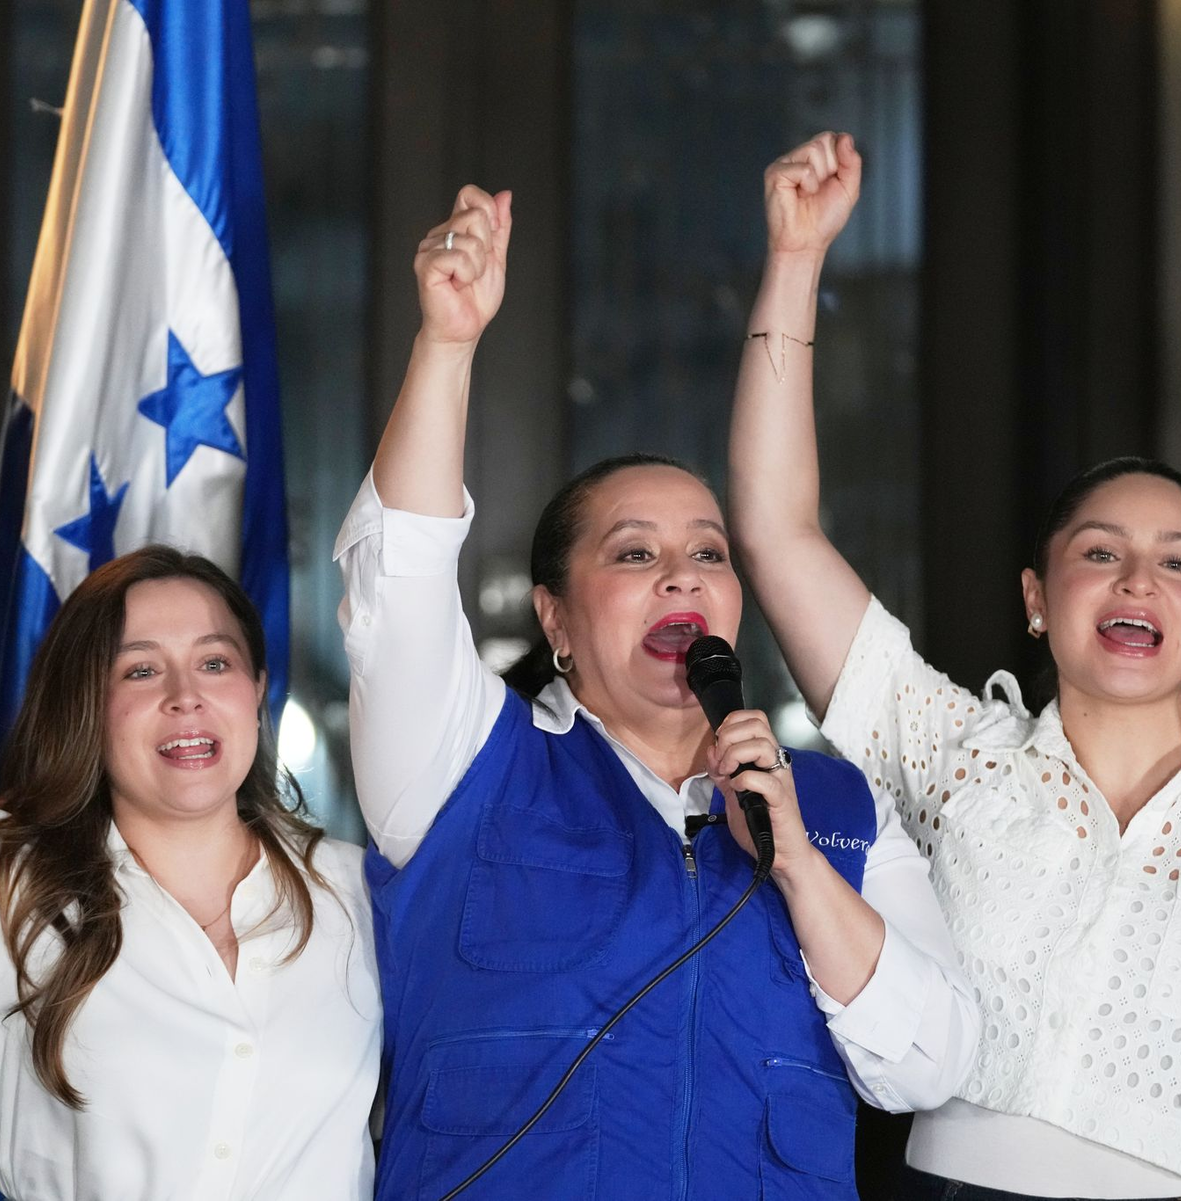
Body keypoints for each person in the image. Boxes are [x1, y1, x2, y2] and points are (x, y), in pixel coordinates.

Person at [335, 181, 978, 1200]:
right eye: (634, 553)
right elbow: (396, 581)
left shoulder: (843, 813)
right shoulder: (458, 765)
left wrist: (800, 865)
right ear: (554, 618)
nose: (682, 575)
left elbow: (934, 1063)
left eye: (709, 553)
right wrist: (447, 342)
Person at [727, 131, 1181, 1200]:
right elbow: (777, 528)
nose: (1137, 584)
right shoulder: (957, 750)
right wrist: (795, 257)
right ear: (1036, 597)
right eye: (1099, 554)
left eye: (1178, 563)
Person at [0, 546, 381, 1200]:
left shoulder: (360, 893)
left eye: (214, 662)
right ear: (85, 700)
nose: (184, 696)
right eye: (140, 669)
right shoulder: (7, 878)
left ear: (257, 687)